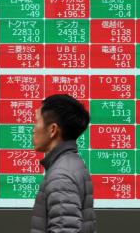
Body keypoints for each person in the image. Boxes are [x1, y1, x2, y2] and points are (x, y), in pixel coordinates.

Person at [30, 94, 96, 233]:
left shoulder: (61, 175)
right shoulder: (72, 163)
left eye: (37, 122)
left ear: (52, 130)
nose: (34, 129)